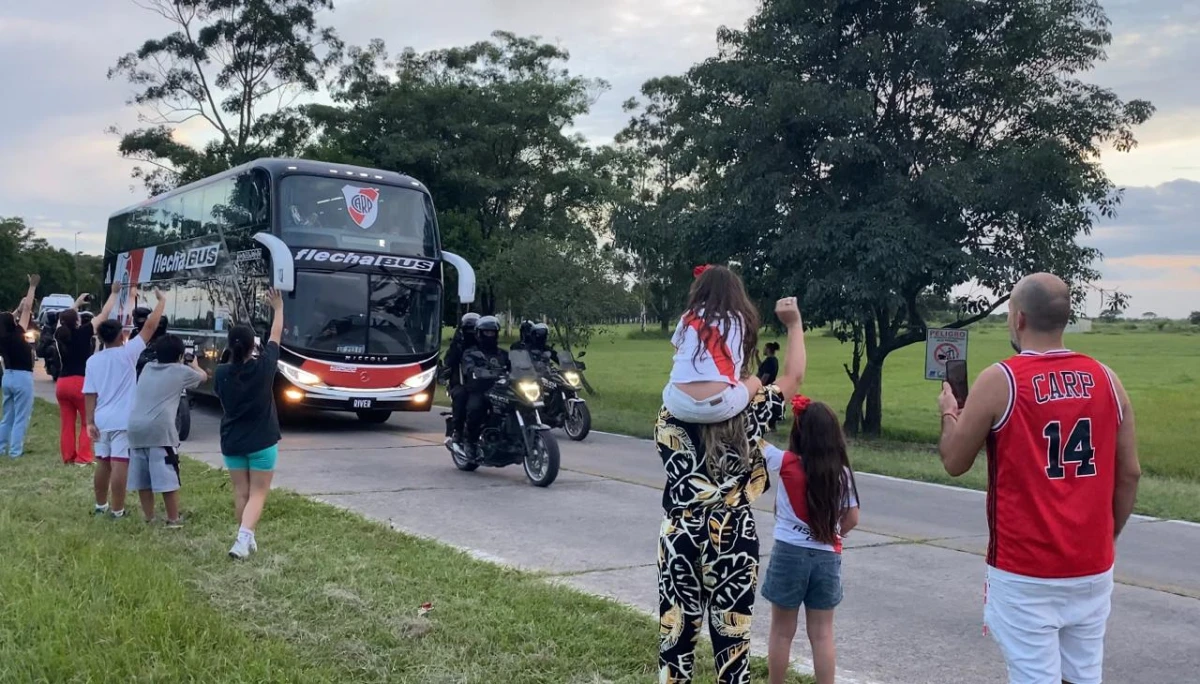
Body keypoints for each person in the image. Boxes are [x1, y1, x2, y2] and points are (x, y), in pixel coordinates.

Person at [937, 273, 1141, 684]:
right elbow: (1130, 474)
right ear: (1064, 318)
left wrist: (948, 412)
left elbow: (955, 460)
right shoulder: (1107, 378)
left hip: (1025, 569)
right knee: (1082, 676)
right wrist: (1108, 536)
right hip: (1092, 566)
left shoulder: (1002, 379)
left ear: (1018, 318)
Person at [656, 296, 805, 684]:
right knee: (733, 649)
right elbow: (793, 378)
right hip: (734, 535)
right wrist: (793, 326)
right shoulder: (752, 408)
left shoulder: (668, 411)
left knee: (675, 646)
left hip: (680, 533)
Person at [761, 396, 860, 684]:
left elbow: (751, 441)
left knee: (782, 631)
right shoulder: (842, 474)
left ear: (800, 432)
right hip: (827, 557)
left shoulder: (785, 461)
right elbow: (853, 517)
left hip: (789, 552)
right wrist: (832, 532)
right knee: (822, 633)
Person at [85, 284, 166, 518]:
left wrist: (89, 421)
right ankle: (118, 510)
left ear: (99, 337)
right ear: (122, 337)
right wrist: (161, 302)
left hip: (101, 417)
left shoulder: (93, 361)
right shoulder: (128, 353)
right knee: (120, 462)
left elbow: (89, 393)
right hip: (123, 418)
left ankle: (100, 505)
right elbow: (150, 327)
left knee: (102, 462)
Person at [215, 289, 284, 559]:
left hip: (232, 441)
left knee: (241, 492)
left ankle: (246, 535)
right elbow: (276, 335)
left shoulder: (221, 373)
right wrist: (278, 307)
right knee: (258, 493)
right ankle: (242, 541)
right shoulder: (264, 367)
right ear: (253, 345)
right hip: (262, 441)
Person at [662, 265, 763, 427]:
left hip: (676, 403)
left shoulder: (687, 317)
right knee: (755, 382)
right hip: (718, 406)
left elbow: (677, 354)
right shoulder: (739, 319)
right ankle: (744, 430)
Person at [126, 333, 207, 526]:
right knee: (167, 478)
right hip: (160, 432)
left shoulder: (146, 368)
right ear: (180, 356)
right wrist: (193, 364)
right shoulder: (180, 371)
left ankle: (149, 517)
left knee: (143, 478)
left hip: (135, 429)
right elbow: (203, 377)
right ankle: (173, 519)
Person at [54, 293, 107, 465]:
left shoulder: (59, 335)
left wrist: (75, 305)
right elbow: (103, 316)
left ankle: (68, 457)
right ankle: (83, 457)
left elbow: (62, 321)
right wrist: (113, 294)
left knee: (67, 423)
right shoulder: (84, 332)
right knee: (87, 421)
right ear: (77, 321)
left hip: (62, 383)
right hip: (80, 382)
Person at [0, 275, 40, 459]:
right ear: (13, 323)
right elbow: (27, 310)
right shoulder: (18, 333)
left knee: (7, 415)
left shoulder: (3, 337)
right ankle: (15, 451)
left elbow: (16, 314)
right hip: (23, 377)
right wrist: (31, 287)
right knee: (21, 417)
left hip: (7, 375)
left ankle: (1, 448)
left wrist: (17, 308)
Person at [462, 315, 508, 460]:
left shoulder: (503, 354)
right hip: (480, 389)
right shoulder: (471, 353)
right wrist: (476, 371)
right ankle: (470, 442)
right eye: (486, 332)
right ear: (479, 333)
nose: (490, 335)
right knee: (475, 409)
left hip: (501, 389)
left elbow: (516, 367)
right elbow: (468, 368)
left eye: (492, 332)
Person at [443, 312, 480, 447]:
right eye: (468, 330)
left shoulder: (485, 345)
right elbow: (449, 361)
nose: (471, 333)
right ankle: (457, 432)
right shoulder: (457, 346)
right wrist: (457, 347)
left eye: (474, 330)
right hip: (461, 382)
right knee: (461, 396)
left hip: (482, 384)